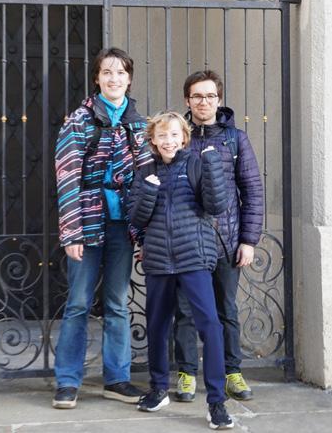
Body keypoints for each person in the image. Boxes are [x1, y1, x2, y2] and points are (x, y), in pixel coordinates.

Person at [52, 47, 152, 409]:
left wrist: (144, 233)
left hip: (122, 225)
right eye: (107, 72)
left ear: (129, 78)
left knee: (117, 303)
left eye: (121, 72)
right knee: (78, 303)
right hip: (86, 222)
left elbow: (147, 178)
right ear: (97, 78)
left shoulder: (139, 123)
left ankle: (117, 379)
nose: (114, 79)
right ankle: (67, 381)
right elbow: (67, 177)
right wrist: (71, 233)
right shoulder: (79, 120)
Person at [128, 111, 235, 430]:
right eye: (162, 135)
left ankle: (216, 402)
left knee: (210, 325)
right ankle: (158, 389)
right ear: (152, 139)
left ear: (184, 138)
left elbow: (216, 206)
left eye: (174, 134)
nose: (168, 140)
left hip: (194, 259)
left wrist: (213, 165)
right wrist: (149, 191)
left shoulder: (196, 164)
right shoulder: (144, 171)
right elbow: (136, 218)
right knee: (157, 326)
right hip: (159, 261)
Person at [173, 70, 264, 403]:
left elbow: (252, 190)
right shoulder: (178, 137)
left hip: (226, 239)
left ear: (219, 100)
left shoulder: (235, 139)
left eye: (210, 96)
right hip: (186, 240)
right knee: (185, 310)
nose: (204, 102)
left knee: (226, 310)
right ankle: (186, 374)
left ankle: (232, 373)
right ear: (187, 100)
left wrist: (248, 240)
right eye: (197, 96)